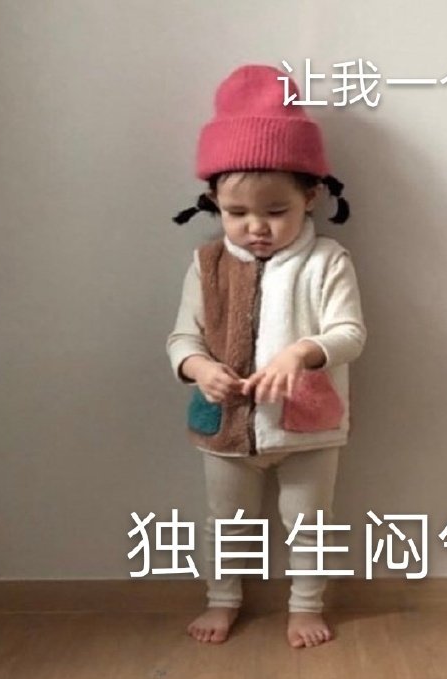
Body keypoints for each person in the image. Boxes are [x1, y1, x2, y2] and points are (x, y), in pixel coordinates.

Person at [166, 64, 367, 648]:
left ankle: (305, 606)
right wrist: (199, 368)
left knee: (310, 523)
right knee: (227, 522)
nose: (256, 227)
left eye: (276, 211)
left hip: (308, 428)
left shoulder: (327, 261)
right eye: (237, 214)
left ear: (311, 196)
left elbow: (350, 333)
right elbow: (181, 339)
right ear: (214, 203)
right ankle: (222, 599)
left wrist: (303, 352)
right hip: (225, 425)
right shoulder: (206, 265)